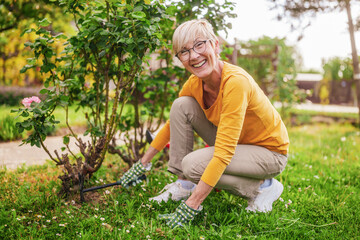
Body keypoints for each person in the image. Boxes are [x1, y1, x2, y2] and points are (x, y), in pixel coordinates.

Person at [119, 19, 289, 229]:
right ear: (180, 58)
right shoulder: (195, 84)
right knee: (181, 105)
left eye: (199, 45)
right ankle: (184, 184)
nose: (194, 56)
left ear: (215, 45)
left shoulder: (236, 82)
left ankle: (263, 187)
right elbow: (173, 124)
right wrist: (142, 163)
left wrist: (192, 205)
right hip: (240, 145)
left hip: (269, 152)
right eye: (184, 51)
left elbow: (225, 152)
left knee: (192, 165)